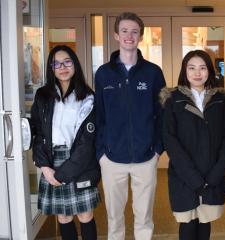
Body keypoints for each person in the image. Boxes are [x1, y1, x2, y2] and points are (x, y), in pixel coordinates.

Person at [94, 12, 166, 240]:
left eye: (134, 31)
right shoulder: (104, 74)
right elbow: (99, 115)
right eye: (124, 30)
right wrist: (101, 153)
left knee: (144, 217)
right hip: (111, 158)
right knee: (114, 218)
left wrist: (157, 150)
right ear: (116, 35)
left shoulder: (153, 73)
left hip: (145, 157)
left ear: (141, 37)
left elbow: (162, 114)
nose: (129, 35)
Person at [161, 50, 225, 240]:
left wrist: (217, 173)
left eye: (202, 68)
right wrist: (193, 178)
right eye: (191, 68)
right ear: (184, 71)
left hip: (213, 174)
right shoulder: (173, 99)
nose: (197, 73)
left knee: (205, 221)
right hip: (183, 175)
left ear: (210, 71)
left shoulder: (220, 99)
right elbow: (170, 140)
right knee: (188, 223)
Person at [31, 45, 100, 240]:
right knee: (63, 215)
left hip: (80, 159)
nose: (62, 67)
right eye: (56, 64)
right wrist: (44, 166)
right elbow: (37, 133)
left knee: (85, 214)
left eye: (67, 62)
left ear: (75, 65)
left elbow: (88, 142)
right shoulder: (43, 96)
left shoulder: (87, 97)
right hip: (52, 161)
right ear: (51, 68)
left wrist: (64, 173)